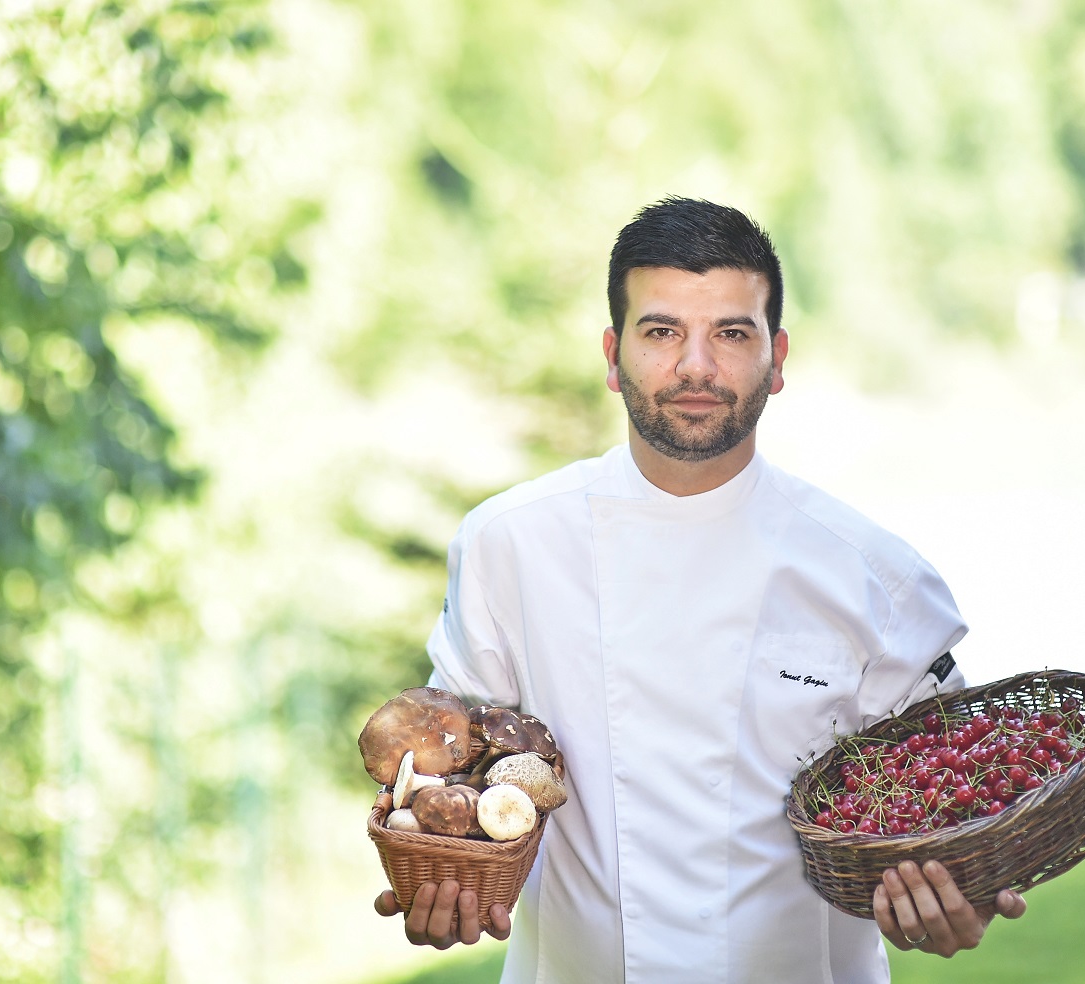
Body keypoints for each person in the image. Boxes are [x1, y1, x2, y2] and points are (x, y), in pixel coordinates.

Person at [373, 198, 1026, 982]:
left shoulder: (871, 574)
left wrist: (965, 893)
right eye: (661, 332)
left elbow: (953, 803)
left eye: (730, 333)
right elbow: (457, 769)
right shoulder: (508, 544)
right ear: (612, 356)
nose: (694, 366)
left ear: (776, 358)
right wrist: (443, 877)